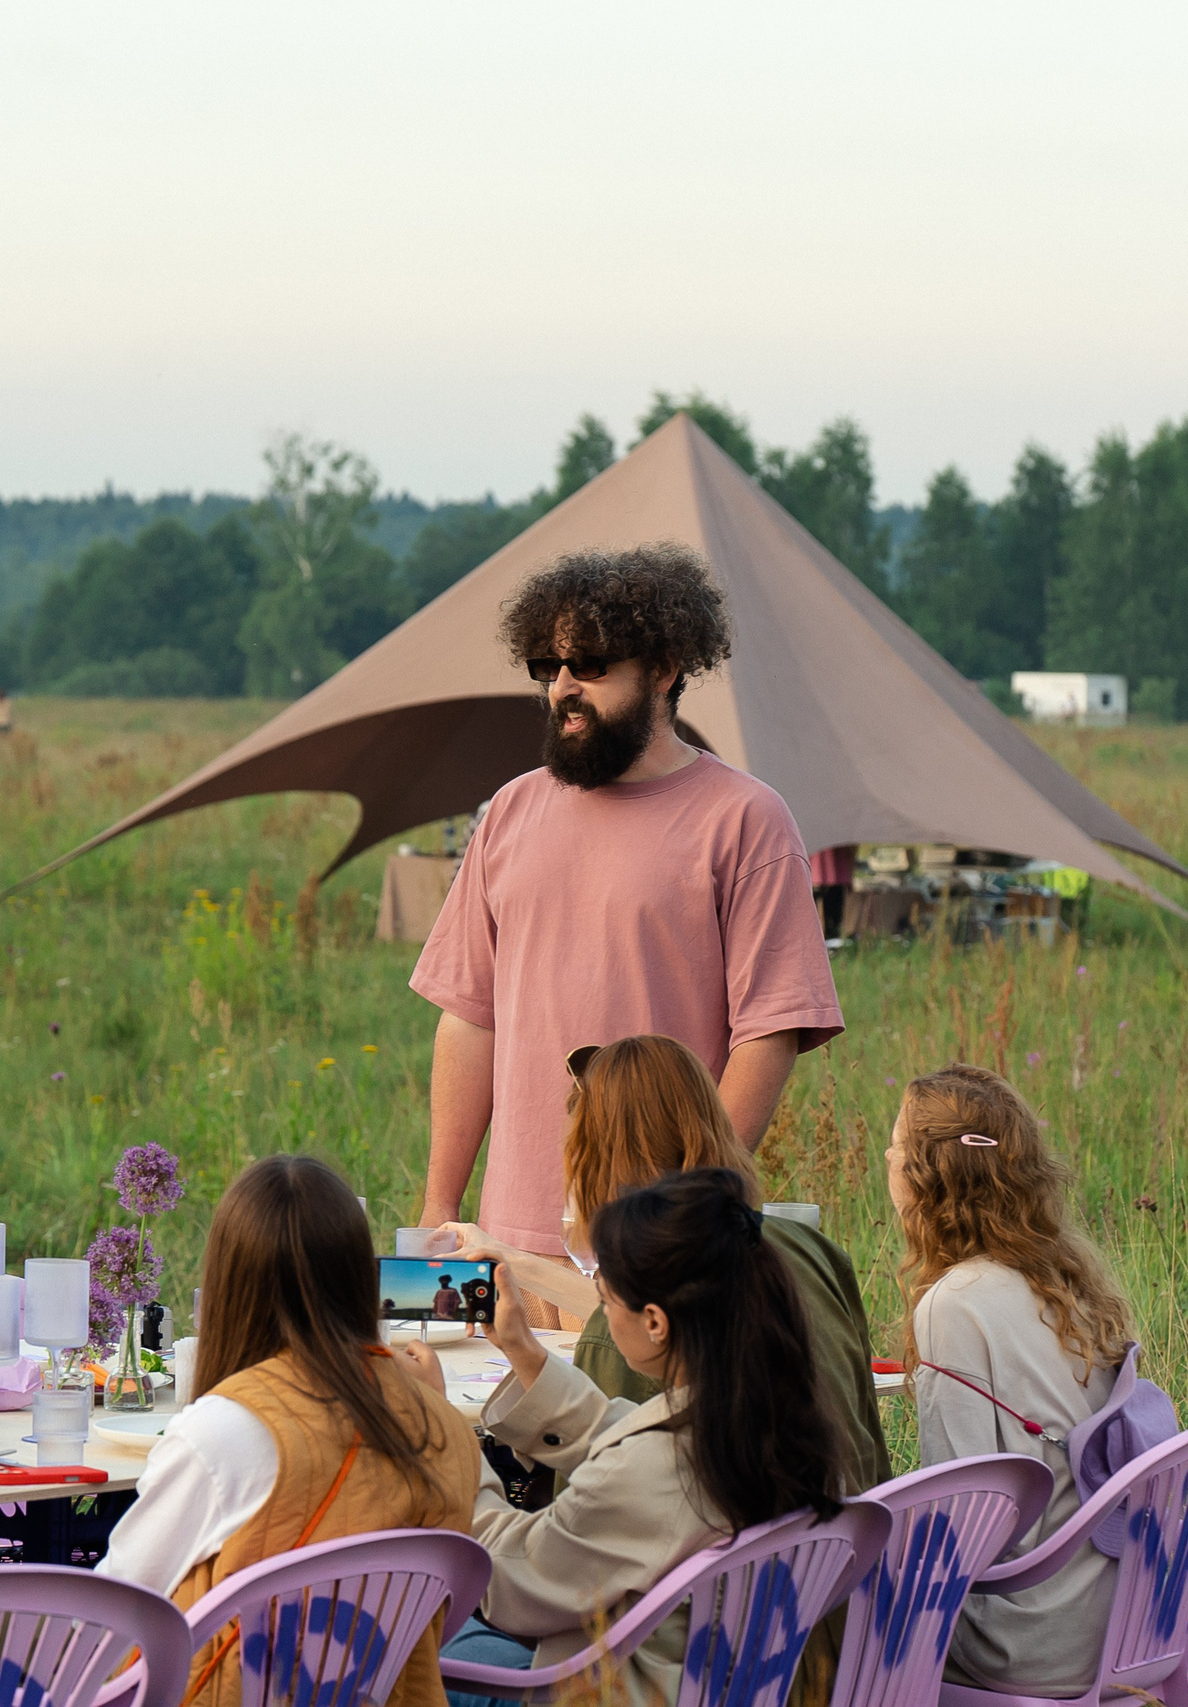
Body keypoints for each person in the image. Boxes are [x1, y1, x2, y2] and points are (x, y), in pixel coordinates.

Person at [412, 544, 843, 1268]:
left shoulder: (747, 821)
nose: (563, 689)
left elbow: (768, 1033)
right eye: (549, 668)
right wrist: (439, 1206)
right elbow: (468, 1016)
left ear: (665, 668)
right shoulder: (512, 811)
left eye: (590, 666)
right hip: (505, 1245)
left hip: (662, 1248)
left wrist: (696, 1205)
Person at [418, 1169, 856, 1707]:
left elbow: (509, 1582)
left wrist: (441, 1429)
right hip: (711, 1684)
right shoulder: (783, 1425)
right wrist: (523, 1350)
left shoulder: (656, 1471)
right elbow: (630, 1444)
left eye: (605, 1294)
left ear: (655, 1321)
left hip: (611, 1691)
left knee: (408, 1639)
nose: (602, 1309)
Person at [95, 1155, 477, 1707]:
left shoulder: (224, 1429)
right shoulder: (447, 1426)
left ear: (228, 1281)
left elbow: (116, 1608)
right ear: (360, 1276)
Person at [443, 1033, 889, 1491]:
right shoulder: (813, 1250)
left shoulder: (632, 1317)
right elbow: (869, 1440)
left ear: (588, 1155)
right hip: (852, 1539)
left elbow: (594, 1509)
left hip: (719, 1556)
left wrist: (454, 1462)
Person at [888, 1062, 1137, 1698]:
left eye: (895, 1143)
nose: (886, 1156)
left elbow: (963, 1522)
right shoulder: (1064, 1277)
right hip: (1126, 1615)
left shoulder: (955, 1302)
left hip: (1028, 1637)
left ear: (928, 1173)